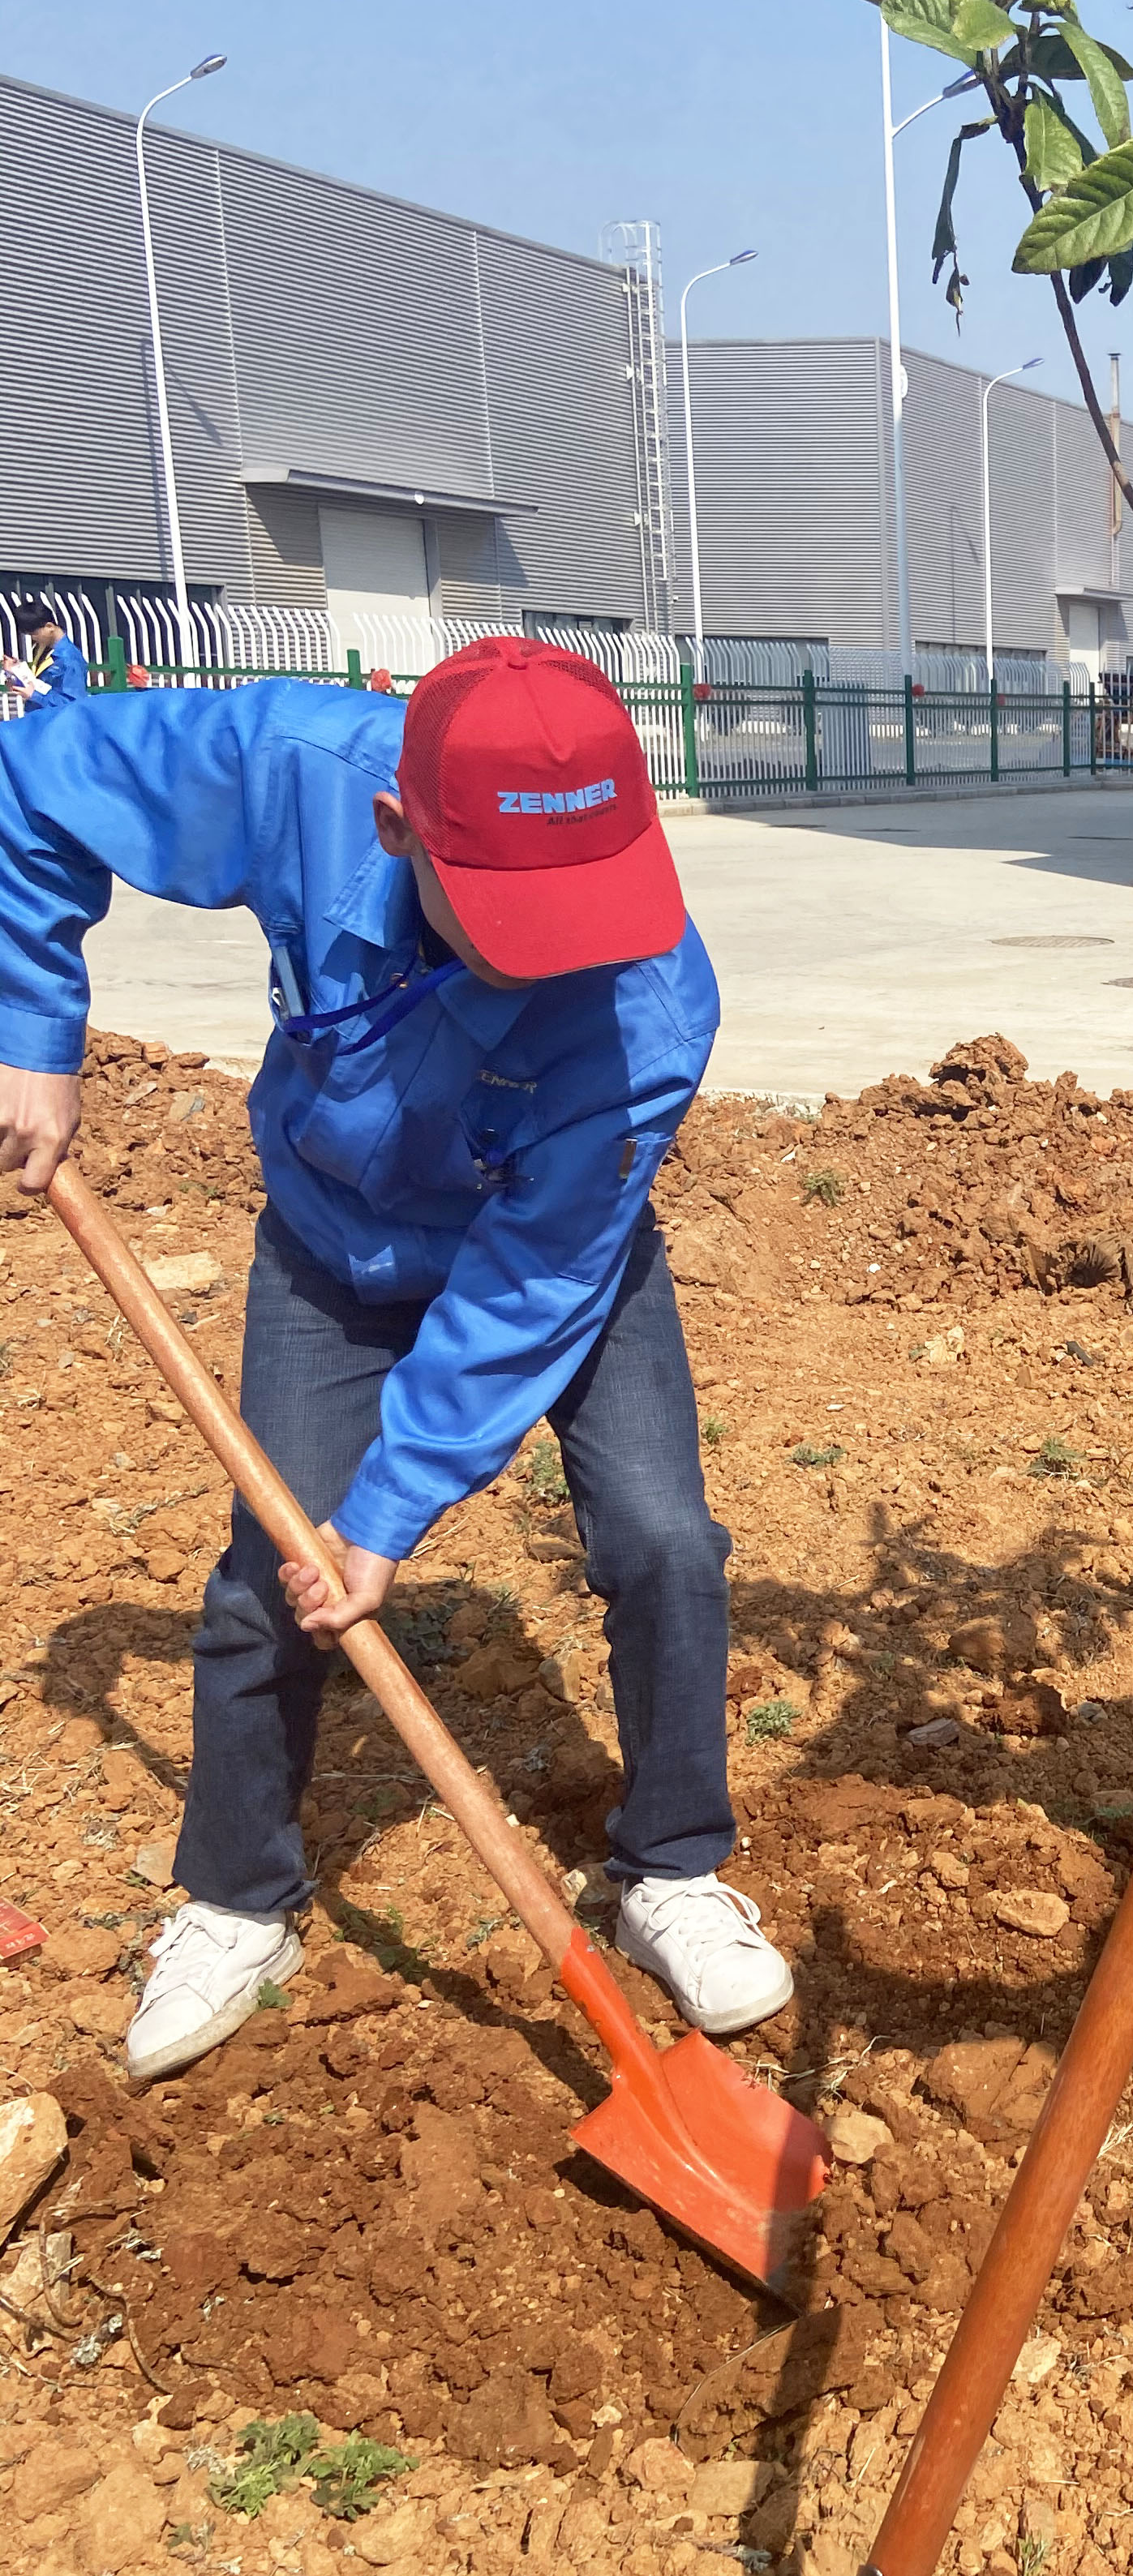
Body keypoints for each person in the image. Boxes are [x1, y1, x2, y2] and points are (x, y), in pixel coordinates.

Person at [0, 636, 793, 2077]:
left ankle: (672, 1869)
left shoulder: (654, 1005)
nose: (569, 951)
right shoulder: (290, 770)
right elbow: (29, 786)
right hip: (334, 1241)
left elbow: (531, 1283)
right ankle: (239, 1899)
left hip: (551, 1252)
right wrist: (33, 1034)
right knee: (271, 1573)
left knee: (665, 1537)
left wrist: (389, 1513)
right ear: (396, 830)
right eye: (517, 917)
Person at [2, 603, 88, 711]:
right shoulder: (43, 649)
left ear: (49, 627)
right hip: (38, 715)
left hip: (56, 719)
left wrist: (34, 695)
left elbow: (73, 702)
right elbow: (38, 683)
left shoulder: (70, 658)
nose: (33, 638)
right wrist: (18, 672)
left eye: (34, 634)